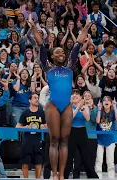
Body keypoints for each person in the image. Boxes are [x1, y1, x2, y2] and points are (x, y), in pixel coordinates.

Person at [29, 16, 92, 180]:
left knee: (64, 140)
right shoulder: (47, 66)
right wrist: (34, 28)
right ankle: (54, 173)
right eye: (58, 52)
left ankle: (62, 174)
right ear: (52, 56)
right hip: (53, 105)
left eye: (63, 52)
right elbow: (40, 45)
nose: (62, 54)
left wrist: (84, 28)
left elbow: (77, 44)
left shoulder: (70, 66)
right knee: (54, 140)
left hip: (66, 106)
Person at [64, 89, 98, 179]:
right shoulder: (68, 106)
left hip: (82, 132)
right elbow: (70, 117)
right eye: (73, 94)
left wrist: (82, 108)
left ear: (80, 97)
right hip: (71, 132)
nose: (74, 96)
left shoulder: (84, 106)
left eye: (77, 94)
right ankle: (64, 176)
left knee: (86, 156)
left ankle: (93, 177)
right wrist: (78, 107)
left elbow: (87, 118)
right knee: (69, 157)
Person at [16, 92, 48, 178]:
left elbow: (47, 126)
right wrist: (26, 127)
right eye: (34, 98)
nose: (37, 99)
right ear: (29, 100)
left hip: (38, 140)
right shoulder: (25, 113)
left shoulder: (42, 113)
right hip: (27, 141)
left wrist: (44, 127)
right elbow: (17, 126)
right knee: (25, 163)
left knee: (39, 163)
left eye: (37, 98)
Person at [95, 96, 117, 179]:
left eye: (108, 100)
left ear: (111, 103)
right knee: (99, 160)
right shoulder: (100, 112)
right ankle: (98, 177)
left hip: (110, 139)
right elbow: (97, 121)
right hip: (100, 139)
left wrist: (115, 107)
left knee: (110, 161)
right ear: (102, 103)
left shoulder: (112, 111)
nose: (106, 101)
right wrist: (98, 109)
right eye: (104, 100)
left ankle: (111, 178)